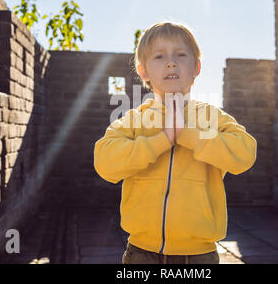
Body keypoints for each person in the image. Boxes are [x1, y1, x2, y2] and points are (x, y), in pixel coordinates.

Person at [93, 21, 257, 264]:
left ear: (196, 67)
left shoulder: (211, 117)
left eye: (181, 55)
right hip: (141, 252)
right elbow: (105, 163)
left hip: (200, 254)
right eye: (159, 56)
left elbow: (244, 153)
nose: (171, 62)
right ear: (144, 71)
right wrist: (161, 140)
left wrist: (189, 135)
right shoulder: (134, 120)